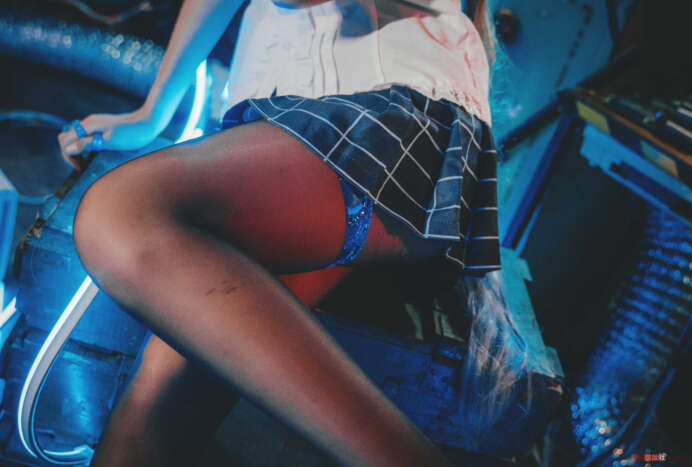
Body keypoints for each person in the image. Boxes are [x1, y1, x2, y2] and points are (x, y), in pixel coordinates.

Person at [57, 0, 500, 465]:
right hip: (311, 142)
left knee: (121, 213)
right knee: (157, 401)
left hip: (385, 123)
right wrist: (151, 113)